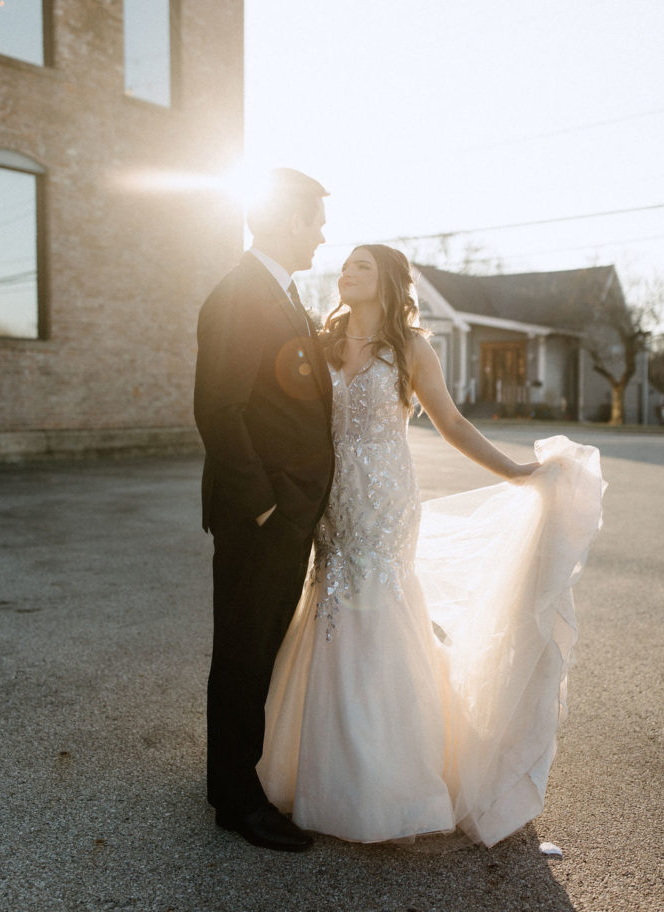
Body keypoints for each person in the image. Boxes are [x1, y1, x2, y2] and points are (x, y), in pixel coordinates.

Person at [257, 243, 605, 846]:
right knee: (330, 608)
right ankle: (316, 766)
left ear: (389, 280)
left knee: (381, 610)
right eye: (343, 266)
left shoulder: (411, 347)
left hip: (385, 499)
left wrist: (515, 470)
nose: (345, 272)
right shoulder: (323, 342)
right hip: (330, 499)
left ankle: (388, 779)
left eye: (361, 265)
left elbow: (451, 423)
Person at [193, 168, 334, 852]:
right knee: (246, 650)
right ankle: (236, 802)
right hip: (263, 516)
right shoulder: (238, 294)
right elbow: (219, 407)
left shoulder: (280, 293)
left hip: (288, 511)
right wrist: (260, 507)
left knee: (260, 646)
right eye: (314, 221)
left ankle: (231, 779)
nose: (322, 234)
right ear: (283, 222)